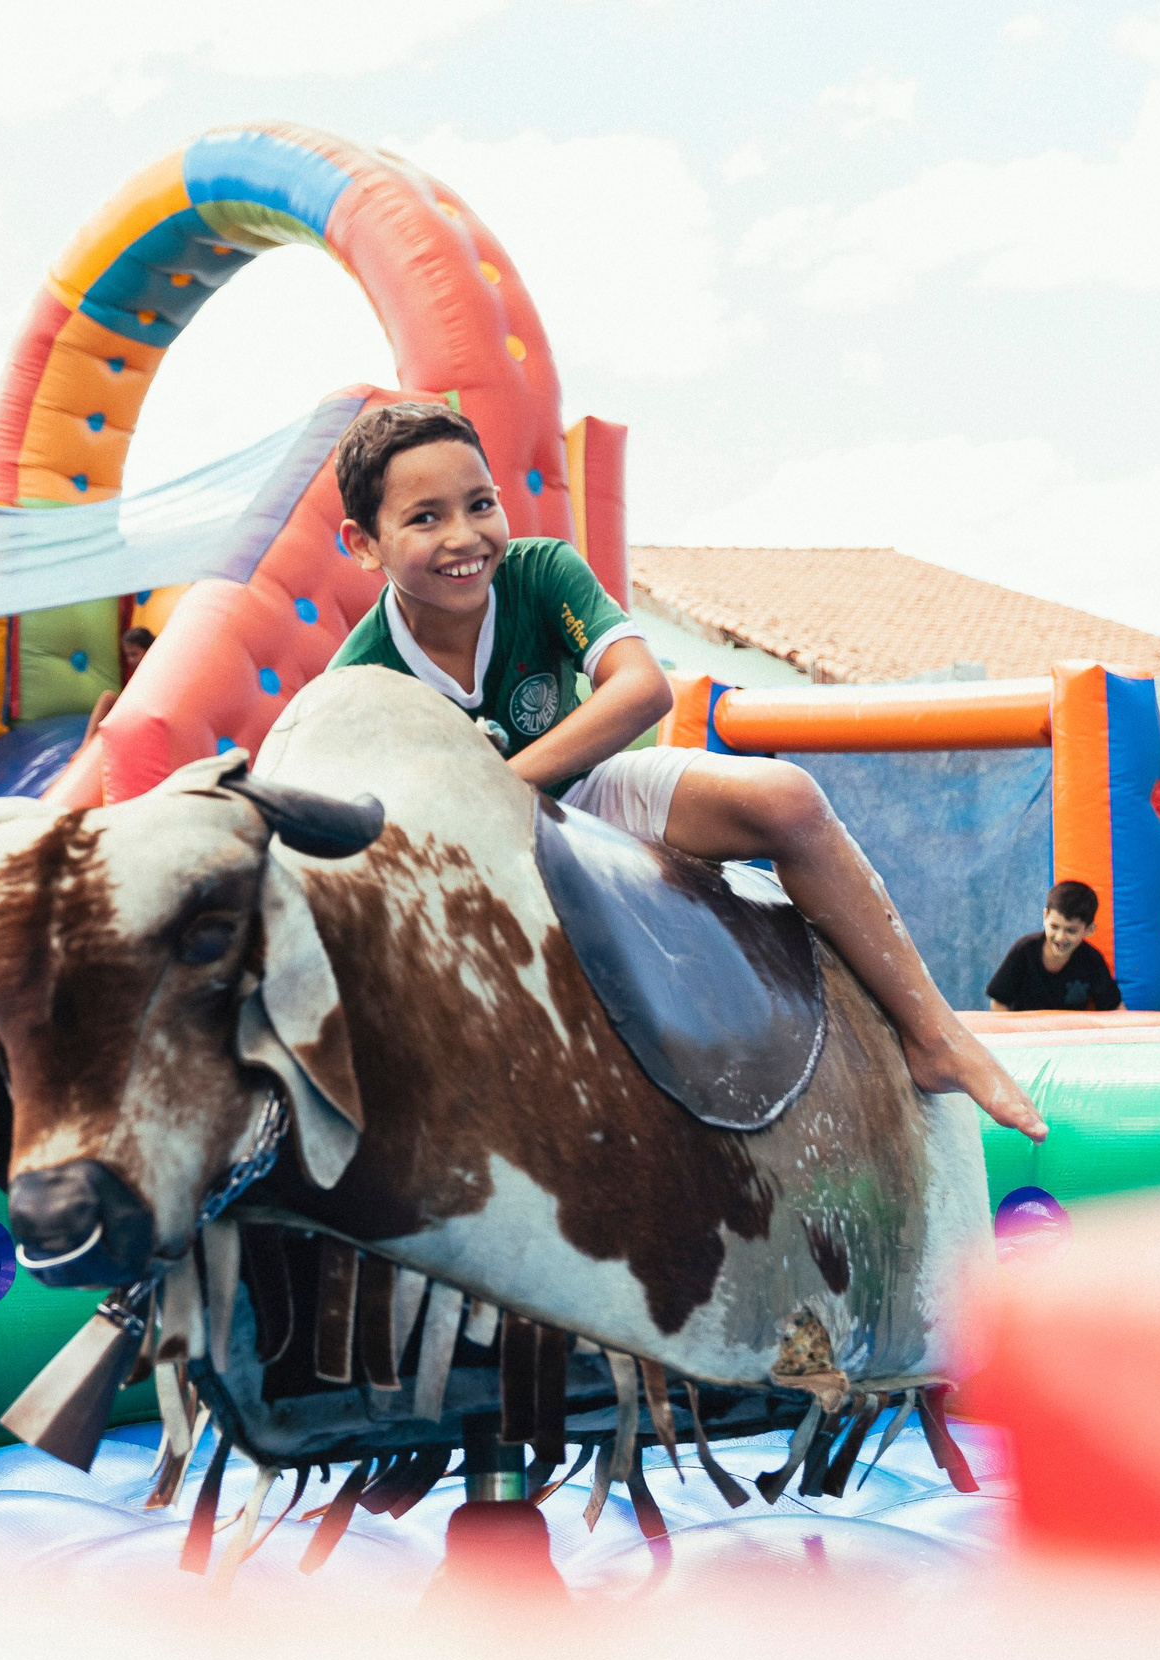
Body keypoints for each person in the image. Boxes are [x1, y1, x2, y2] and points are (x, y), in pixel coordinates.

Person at [325, 401, 1045, 1140]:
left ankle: (934, 1032)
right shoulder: (358, 679)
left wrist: (504, 781)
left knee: (788, 798)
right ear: (363, 543)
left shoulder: (538, 574)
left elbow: (642, 687)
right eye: (425, 518)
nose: (464, 536)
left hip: (582, 796)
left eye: (480, 504)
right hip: (472, 850)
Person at [986, 881, 1123, 1013]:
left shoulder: (1092, 961)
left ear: (1089, 929)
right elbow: (999, 1002)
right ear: (1045, 916)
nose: (1060, 937)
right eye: (1054, 927)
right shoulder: (1025, 950)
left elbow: (1114, 1009)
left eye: (1071, 931)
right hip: (1027, 1034)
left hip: (1069, 1035)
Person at [82, 625, 157, 744]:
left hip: (143, 715)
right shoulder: (139, 671)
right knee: (107, 697)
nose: (129, 660)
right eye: (127, 655)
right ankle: (86, 743)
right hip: (134, 712)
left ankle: (85, 745)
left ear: (148, 650)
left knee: (108, 698)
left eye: (134, 654)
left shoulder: (153, 668)